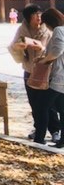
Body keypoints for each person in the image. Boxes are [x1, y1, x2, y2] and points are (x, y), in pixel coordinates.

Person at [8, 4, 60, 144]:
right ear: (28, 17)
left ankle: (55, 130)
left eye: (39, 13)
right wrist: (18, 47)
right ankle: (39, 129)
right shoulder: (22, 30)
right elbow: (13, 47)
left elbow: (55, 50)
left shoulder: (48, 29)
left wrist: (41, 48)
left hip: (46, 72)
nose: (39, 17)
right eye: (35, 14)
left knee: (48, 104)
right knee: (34, 103)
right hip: (29, 70)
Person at [35, 8, 64, 147]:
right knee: (61, 109)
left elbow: (58, 50)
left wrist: (45, 61)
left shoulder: (58, 30)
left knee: (42, 106)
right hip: (61, 76)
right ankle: (62, 141)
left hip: (59, 76)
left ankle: (39, 138)